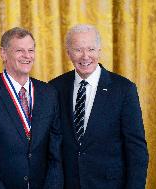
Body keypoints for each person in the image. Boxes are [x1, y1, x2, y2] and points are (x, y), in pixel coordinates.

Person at [0, 27, 63, 189]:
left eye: (31, 50)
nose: (27, 56)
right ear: (3, 54)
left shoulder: (48, 93)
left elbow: (56, 153)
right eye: (19, 51)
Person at [49, 24, 149, 189]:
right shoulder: (55, 88)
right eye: (78, 50)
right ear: (68, 53)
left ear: (99, 51)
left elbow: (136, 150)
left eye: (91, 49)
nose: (85, 56)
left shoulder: (123, 89)